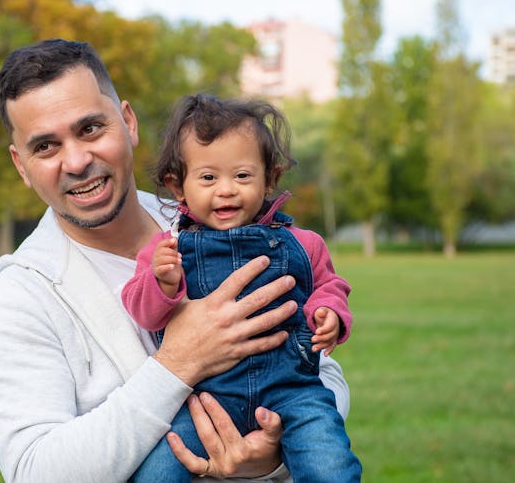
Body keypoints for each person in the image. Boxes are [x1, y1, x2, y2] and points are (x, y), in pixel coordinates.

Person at [0, 38, 351, 483]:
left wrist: (271, 452)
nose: (76, 161)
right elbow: (36, 472)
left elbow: (325, 374)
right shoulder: (18, 300)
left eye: (91, 128)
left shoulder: (228, 221)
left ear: (128, 123)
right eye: (46, 147)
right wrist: (177, 364)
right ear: (21, 165)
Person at [122, 94, 362, 482]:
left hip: (293, 392)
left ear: (269, 178)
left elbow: (329, 285)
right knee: (157, 470)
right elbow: (144, 314)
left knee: (330, 464)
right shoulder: (166, 249)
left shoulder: (304, 243)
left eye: (242, 176)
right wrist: (161, 282)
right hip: (204, 400)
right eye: (208, 177)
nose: (227, 190)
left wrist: (330, 312)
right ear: (177, 186)